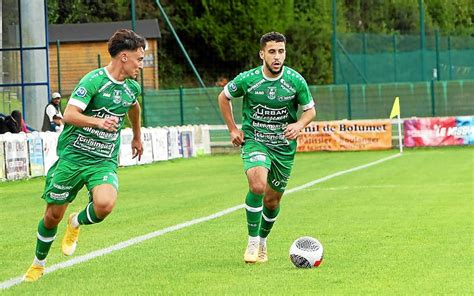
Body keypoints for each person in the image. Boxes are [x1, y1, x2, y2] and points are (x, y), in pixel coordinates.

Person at [24, 29, 145, 281]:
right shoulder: (93, 81)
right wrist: (98, 123)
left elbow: (134, 107)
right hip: (73, 157)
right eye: (139, 59)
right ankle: (38, 263)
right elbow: (69, 115)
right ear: (124, 57)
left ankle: (76, 222)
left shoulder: (132, 88)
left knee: (104, 205)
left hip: (102, 161)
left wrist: (136, 135)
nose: (141, 65)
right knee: (51, 216)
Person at [217, 32, 316, 264]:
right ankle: (252, 242)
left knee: (272, 202)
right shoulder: (248, 80)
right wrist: (233, 129)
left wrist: (299, 124)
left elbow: (310, 110)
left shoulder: (295, 80)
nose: (277, 56)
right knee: (258, 185)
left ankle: (262, 240)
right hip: (256, 140)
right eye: (272, 51)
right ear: (262, 54)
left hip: (283, 147)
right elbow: (224, 97)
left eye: (281, 51)